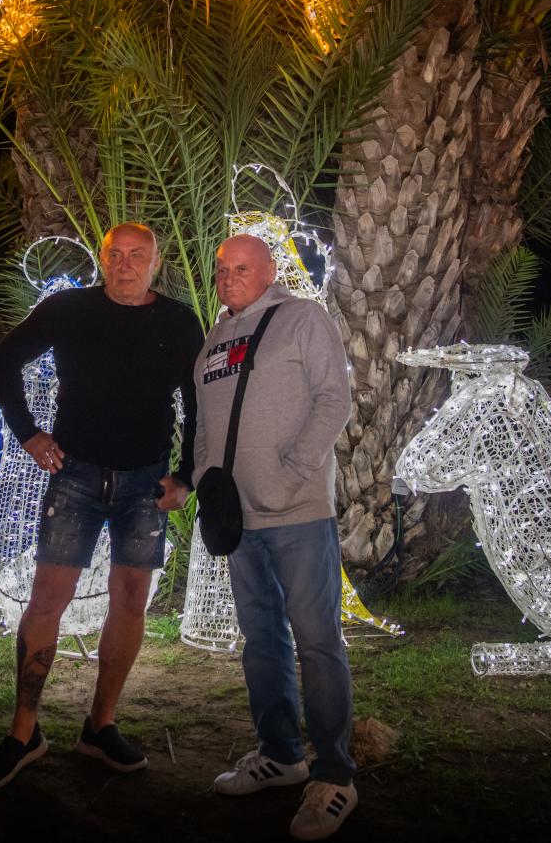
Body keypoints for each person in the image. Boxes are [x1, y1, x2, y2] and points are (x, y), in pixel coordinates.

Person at [0, 223, 203, 791]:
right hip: (74, 475)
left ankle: (100, 726)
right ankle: (24, 731)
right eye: (115, 255)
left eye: (137, 256)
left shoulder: (178, 323)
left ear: (156, 263)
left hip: (145, 482)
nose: (125, 265)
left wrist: (187, 476)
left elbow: (200, 403)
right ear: (103, 259)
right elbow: (3, 360)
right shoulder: (68, 309)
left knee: (131, 601)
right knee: (48, 598)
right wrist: (28, 432)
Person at [195, 235, 357, 840]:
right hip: (239, 521)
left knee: (317, 642)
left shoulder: (302, 319)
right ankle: (282, 755)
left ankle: (336, 775)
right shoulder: (215, 339)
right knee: (260, 637)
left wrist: (293, 471)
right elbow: (208, 424)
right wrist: (205, 481)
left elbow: (333, 399)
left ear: (268, 272)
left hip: (298, 514)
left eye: (240, 268)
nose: (228, 278)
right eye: (221, 270)